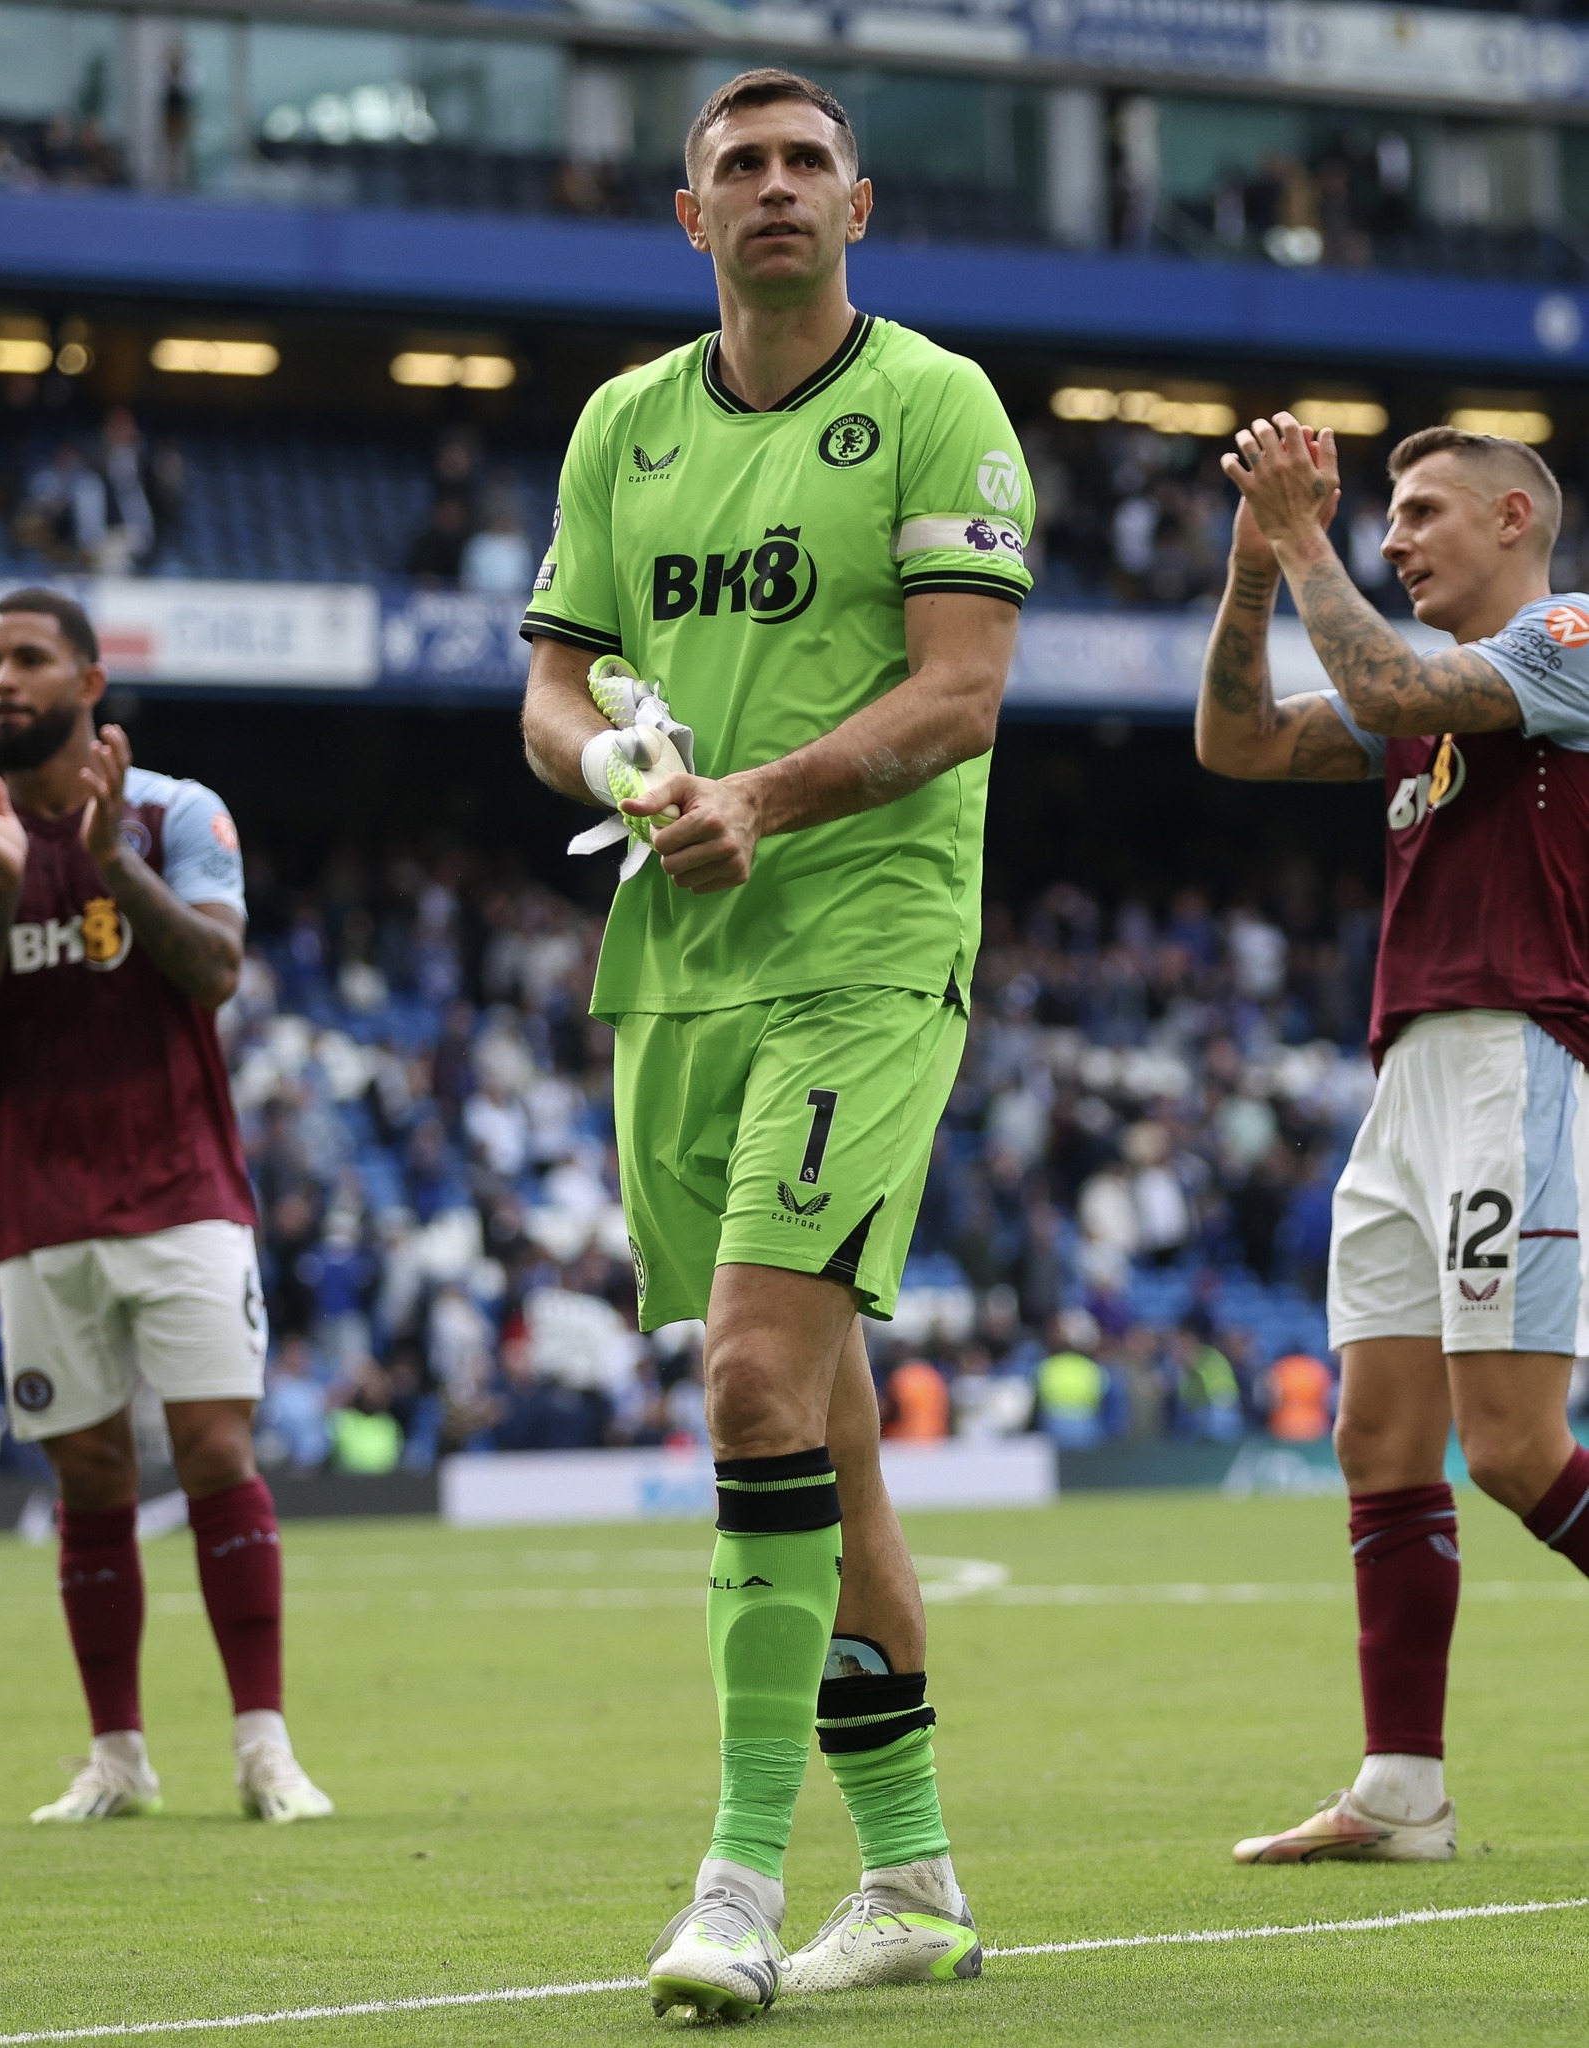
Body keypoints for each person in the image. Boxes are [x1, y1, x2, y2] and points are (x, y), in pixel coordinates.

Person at [520, 67, 1031, 2017]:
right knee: (815, 1429)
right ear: (691, 217)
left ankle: (737, 1881)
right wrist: (623, 761)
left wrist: (762, 799)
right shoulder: (622, 430)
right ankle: (912, 1881)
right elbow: (552, 695)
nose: (776, 186)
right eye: (740, 164)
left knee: (747, 1379)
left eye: (807, 161)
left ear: (860, 204)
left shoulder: (934, 401)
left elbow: (962, 690)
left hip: (864, 955)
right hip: (683, 972)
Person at [1197, 415, 1589, 1863]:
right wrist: (1253, 570)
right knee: (1377, 1436)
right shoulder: (1424, 703)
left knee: (1509, 1445)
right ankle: (1400, 1790)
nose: (1392, 536)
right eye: (1383, 517)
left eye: (1421, 511)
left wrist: (1303, 538)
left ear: (1510, 516)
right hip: (1409, 1067)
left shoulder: (1569, 632)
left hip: (1515, 1052)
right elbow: (1233, 739)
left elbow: (1373, 667)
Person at [0, 588, 331, 1827]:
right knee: (90, 1475)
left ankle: (264, 1746)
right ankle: (116, 1755)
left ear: (88, 682)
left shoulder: (176, 812)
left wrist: (112, 865)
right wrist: (5, 892)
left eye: (26, 658)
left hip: (182, 1191)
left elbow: (217, 970)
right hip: (39, 1206)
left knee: (217, 1448)